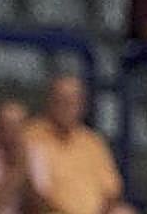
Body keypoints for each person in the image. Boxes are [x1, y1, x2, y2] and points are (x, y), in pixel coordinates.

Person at [24, 75, 136, 214]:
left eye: (72, 102)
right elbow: (34, 195)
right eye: (61, 100)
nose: (66, 107)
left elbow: (111, 192)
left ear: (82, 106)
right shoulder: (31, 137)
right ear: (50, 101)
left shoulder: (92, 141)